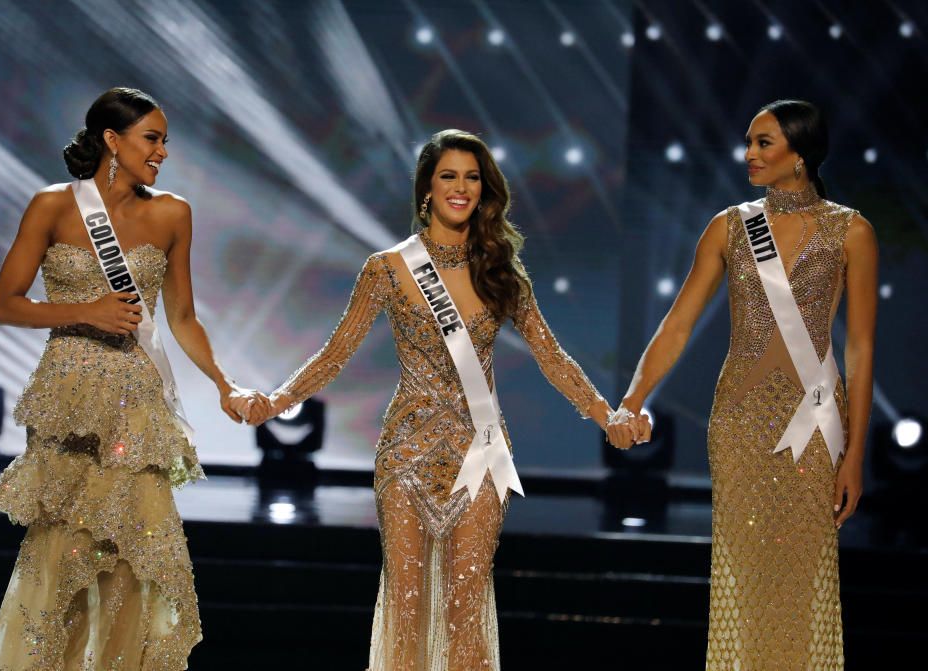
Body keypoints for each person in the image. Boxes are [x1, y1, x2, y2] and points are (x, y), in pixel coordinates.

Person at [236, 129, 636, 669]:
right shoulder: (387, 268)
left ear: (485, 189)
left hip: (480, 453)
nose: (461, 187)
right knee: (407, 605)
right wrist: (276, 400)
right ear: (426, 187)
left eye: (472, 177)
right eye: (449, 175)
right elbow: (335, 355)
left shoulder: (500, 270)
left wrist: (605, 414)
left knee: (465, 606)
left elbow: (552, 357)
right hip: (406, 455)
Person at [0, 87, 254, 670]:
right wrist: (84, 311)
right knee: (62, 560)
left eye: (164, 142)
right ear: (112, 139)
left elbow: (181, 316)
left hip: (136, 404)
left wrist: (223, 383)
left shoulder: (173, 212)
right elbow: (5, 304)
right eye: (151, 138)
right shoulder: (52, 205)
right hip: (67, 403)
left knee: (137, 558)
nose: (161, 152)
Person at [611, 100, 877, 669]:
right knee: (745, 571)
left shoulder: (851, 231)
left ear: (799, 155)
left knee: (804, 575)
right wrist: (634, 397)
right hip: (739, 425)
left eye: (764, 143)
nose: (750, 154)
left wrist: (856, 453)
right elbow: (678, 324)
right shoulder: (730, 227)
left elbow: (860, 347)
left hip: (815, 423)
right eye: (749, 142)